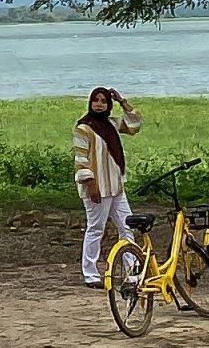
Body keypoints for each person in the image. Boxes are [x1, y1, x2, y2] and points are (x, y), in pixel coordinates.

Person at [73, 86, 145, 289]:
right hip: (98, 188)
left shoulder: (111, 124)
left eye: (103, 101)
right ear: (90, 103)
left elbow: (134, 125)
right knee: (96, 228)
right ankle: (90, 273)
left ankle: (132, 271)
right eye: (96, 100)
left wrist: (123, 102)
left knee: (127, 226)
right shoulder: (83, 128)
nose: (99, 104)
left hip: (116, 187)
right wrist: (91, 185)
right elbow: (81, 160)